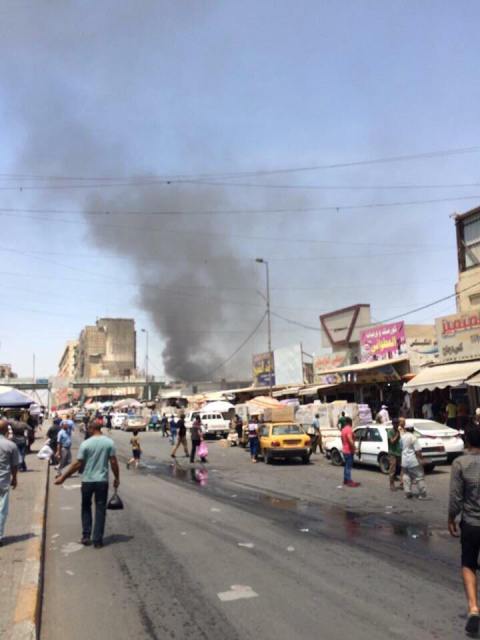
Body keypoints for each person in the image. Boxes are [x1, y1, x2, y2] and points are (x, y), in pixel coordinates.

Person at [54, 420, 119, 548]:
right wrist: (117, 478)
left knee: (86, 507)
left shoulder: (86, 444)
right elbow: (113, 462)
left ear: (91, 429)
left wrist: (63, 477)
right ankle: (98, 540)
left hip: (87, 481)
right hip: (102, 481)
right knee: (100, 509)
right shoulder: (109, 443)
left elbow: (77, 464)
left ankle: (86, 536)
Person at [448, 428, 480, 636]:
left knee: (468, 564)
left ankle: (474, 608)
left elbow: (456, 497)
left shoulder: (460, 463)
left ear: (466, 442)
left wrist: (451, 518)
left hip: (471, 524)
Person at [0, 419, 19, 546]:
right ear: (6, 430)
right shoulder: (11, 445)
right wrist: (15, 478)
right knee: (2, 510)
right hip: (3, 481)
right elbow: (14, 465)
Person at [401, 423, 427, 499]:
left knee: (406, 476)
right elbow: (417, 451)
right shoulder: (413, 437)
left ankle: (407, 493)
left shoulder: (402, 437)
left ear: (405, 429)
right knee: (419, 477)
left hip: (404, 461)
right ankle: (422, 495)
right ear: (413, 429)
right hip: (413, 461)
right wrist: (422, 459)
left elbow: (401, 449)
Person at [341, 417, 360, 487]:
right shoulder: (349, 429)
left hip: (344, 450)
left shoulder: (343, 430)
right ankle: (349, 481)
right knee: (348, 466)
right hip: (349, 451)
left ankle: (345, 479)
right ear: (350, 422)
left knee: (346, 466)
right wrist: (355, 449)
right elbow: (350, 440)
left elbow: (342, 439)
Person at [387, 417, 402, 491]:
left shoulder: (398, 431)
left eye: (397, 423)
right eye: (395, 423)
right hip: (392, 453)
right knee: (392, 470)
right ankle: (391, 485)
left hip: (399, 452)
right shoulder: (390, 431)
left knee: (401, 469)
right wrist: (397, 436)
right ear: (393, 424)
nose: (396, 425)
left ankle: (402, 483)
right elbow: (392, 441)